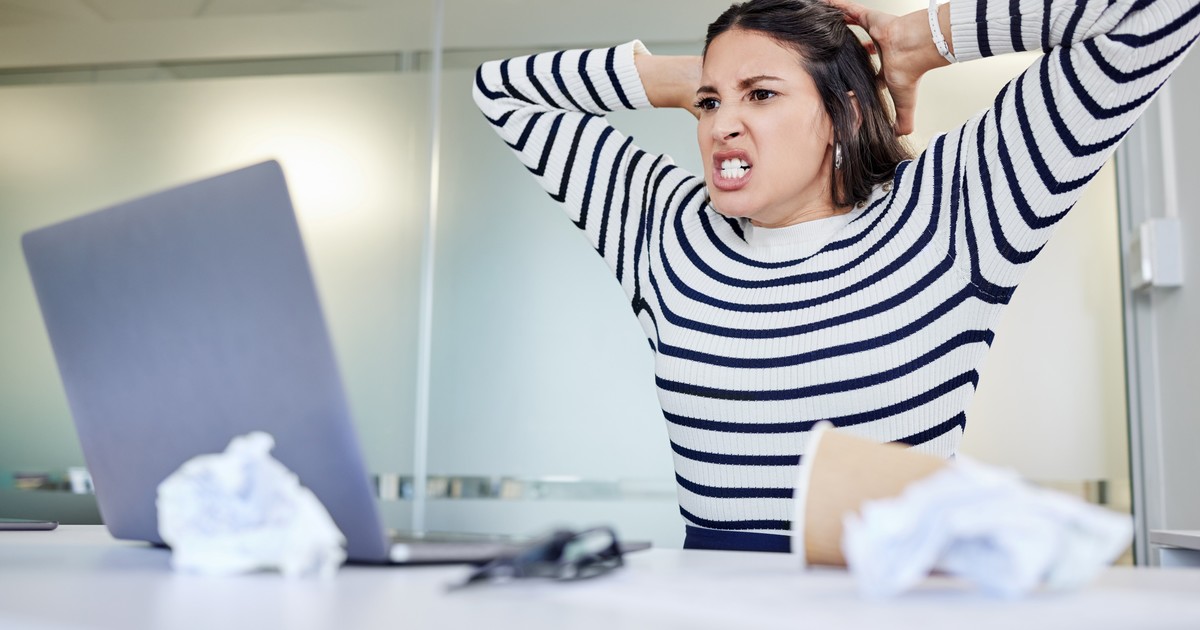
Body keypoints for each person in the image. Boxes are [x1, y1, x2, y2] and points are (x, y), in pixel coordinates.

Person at [473, 0, 1200, 552]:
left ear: (842, 114)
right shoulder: (666, 231)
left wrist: (927, 38)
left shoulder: (953, 210)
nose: (721, 125)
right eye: (710, 104)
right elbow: (498, 91)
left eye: (761, 95)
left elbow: (1161, 14)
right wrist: (680, 78)